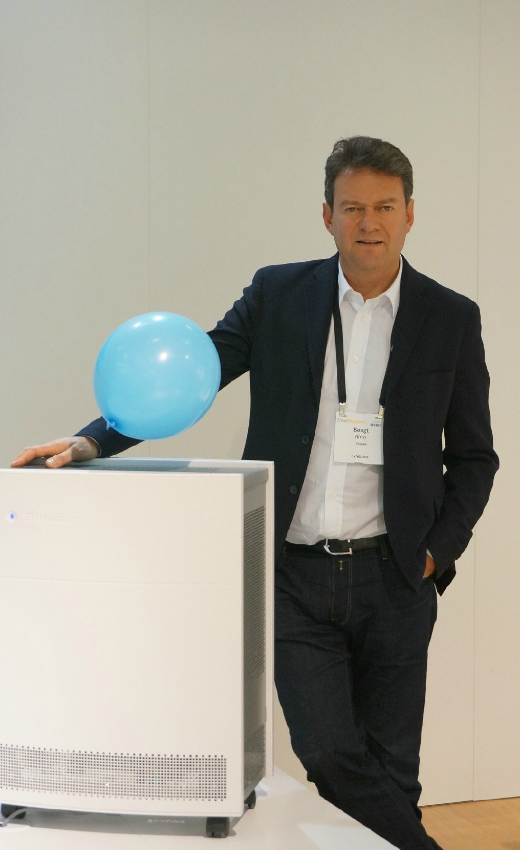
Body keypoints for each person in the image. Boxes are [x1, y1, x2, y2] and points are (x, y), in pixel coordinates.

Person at [12, 136, 498, 850]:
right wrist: (91, 441)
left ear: (410, 214)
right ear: (326, 215)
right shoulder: (278, 296)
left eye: (385, 207)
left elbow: (476, 457)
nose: (369, 222)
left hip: (397, 576)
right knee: (329, 753)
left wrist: (433, 556)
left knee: (394, 772)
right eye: (352, 207)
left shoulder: (450, 317)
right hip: (294, 575)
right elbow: (192, 375)